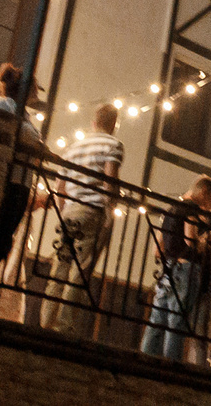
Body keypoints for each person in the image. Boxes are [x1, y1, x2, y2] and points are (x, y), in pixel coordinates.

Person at [41, 101, 123, 337]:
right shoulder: (114, 145)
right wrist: (110, 211)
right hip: (93, 212)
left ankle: (45, 320)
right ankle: (64, 327)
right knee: (80, 272)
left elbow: (60, 186)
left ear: (93, 122)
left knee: (60, 267)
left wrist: (63, 210)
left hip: (70, 212)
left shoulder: (74, 146)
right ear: (114, 124)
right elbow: (110, 182)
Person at [0, 63, 43, 317]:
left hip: (22, 184)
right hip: (8, 182)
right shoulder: (4, 107)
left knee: (5, 240)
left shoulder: (25, 115)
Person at [142, 175, 211, 364]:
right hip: (186, 268)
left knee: (157, 318)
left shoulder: (171, 209)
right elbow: (190, 239)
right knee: (176, 322)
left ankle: (146, 358)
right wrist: (206, 238)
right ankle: (172, 364)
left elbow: (158, 248)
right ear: (203, 192)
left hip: (168, 268)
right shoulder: (191, 208)